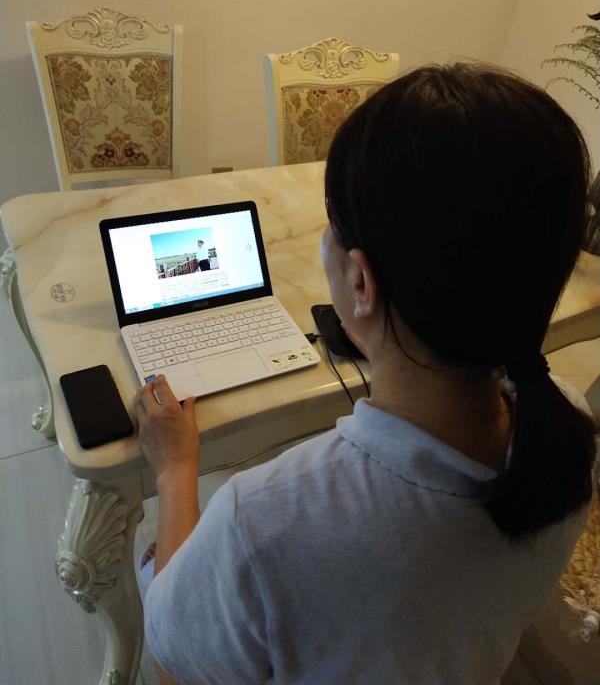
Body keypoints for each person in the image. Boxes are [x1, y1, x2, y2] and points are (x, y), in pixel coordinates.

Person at [135, 63, 597, 685]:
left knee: (153, 558)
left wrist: (175, 469)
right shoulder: (568, 429)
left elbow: (175, 673)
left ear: (360, 282)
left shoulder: (260, 521)